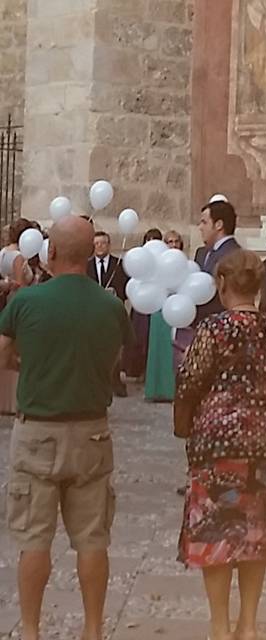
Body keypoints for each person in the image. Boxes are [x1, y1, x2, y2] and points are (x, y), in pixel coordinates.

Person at [0, 215, 132, 640]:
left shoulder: (25, 302)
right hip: (91, 430)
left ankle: (32, 631)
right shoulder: (110, 305)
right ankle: (93, 630)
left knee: (34, 537)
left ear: (50, 252)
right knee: (93, 538)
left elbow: (2, 353)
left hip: (37, 430)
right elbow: (114, 361)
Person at [176, 250, 266, 640]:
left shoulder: (214, 329)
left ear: (222, 285)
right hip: (263, 439)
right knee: (255, 530)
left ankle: (221, 627)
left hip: (217, 442)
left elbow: (190, 380)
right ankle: (250, 624)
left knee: (215, 532)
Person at [175, 201, 241, 368]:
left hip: (219, 333)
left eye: (204, 222)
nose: (200, 227)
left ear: (218, 225)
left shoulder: (233, 255)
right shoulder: (203, 253)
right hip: (200, 331)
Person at [0, 218, 37, 414]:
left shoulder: (3, 252)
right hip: (17, 303)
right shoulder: (18, 256)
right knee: (15, 349)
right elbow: (22, 286)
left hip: (4, 300)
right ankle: (13, 401)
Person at [87, 231, 129, 397]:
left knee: (115, 348)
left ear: (109, 245)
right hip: (93, 312)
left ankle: (115, 380)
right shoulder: (87, 265)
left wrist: (116, 293)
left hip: (113, 313)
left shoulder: (119, 264)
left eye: (103, 243)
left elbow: (126, 288)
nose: (100, 247)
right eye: (96, 244)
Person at [145, 230, 182, 403]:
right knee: (159, 347)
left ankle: (171, 389)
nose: (173, 245)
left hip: (178, 308)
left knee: (174, 348)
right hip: (159, 308)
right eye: (169, 242)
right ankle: (155, 388)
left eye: (176, 241)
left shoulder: (184, 263)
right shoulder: (157, 265)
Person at [125, 229, 163, 380]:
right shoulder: (140, 260)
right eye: (149, 239)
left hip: (158, 304)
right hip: (141, 303)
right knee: (139, 336)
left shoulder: (163, 261)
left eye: (155, 239)